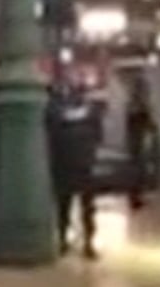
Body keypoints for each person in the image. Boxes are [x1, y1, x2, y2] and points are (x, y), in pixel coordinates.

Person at [48, 82, 103, 259]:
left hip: (63, 164)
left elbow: (51, 136)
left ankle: (63, 241)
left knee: (63, 206)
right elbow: (98, 136)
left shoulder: (56, 113)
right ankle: (88, 243)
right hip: (84, 165)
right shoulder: (92, 114)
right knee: (87, 207)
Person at [125, 74, 155, 210]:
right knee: (137, 170)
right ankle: (135, 198)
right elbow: (148, 123)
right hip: (137, 142)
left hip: (135, 141)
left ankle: (135, 197)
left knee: (136, 170)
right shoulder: (139, 106)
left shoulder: (132, 105)